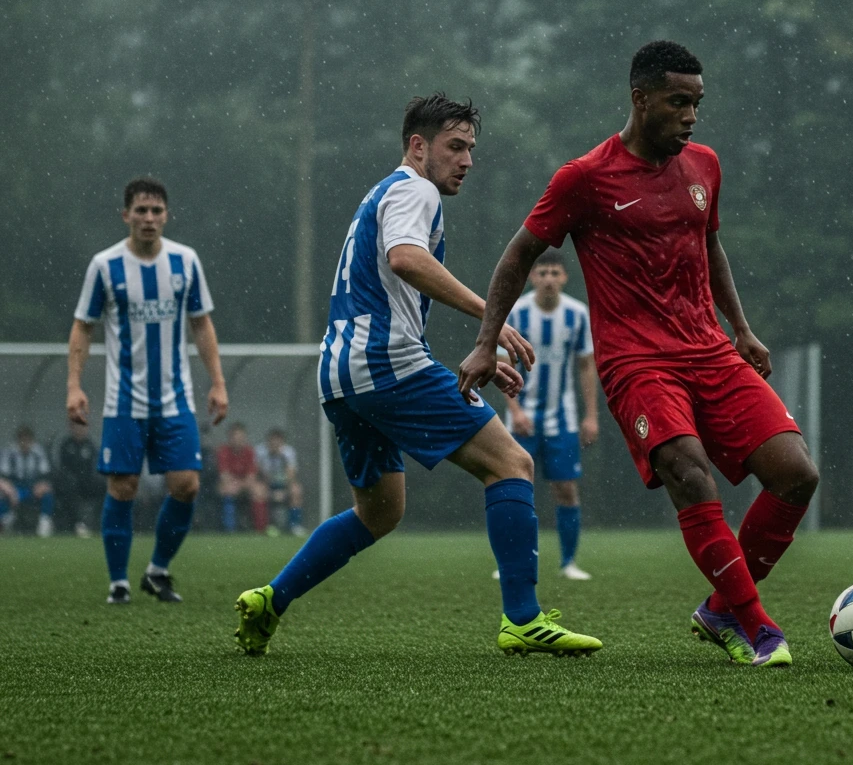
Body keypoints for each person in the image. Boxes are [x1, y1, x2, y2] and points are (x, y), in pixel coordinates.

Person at [460, 41, 820, 667]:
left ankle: (718, 610)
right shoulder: (585, 178)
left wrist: (742, 327)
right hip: (636, 362)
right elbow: (518, 255)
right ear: (641, 99)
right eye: (679, 103)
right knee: (689, 469)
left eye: (697, 104)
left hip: (709, 347)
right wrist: (486, 341)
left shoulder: (705, 165)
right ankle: (757, 627)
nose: (691, 116)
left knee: (796, 474)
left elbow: (710, 248)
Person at [233, 93, 601, 658]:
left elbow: (393, 280)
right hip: (386, 363)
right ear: (417, 145)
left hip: (341, 373)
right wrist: (491, 316)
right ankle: (523, 618)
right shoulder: (415, 188)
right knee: (512, 464)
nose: (467, 160)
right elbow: (406, 258)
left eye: (471, 149)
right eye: (455, 147)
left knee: (380, 512)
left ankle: (270, 600)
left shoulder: (382, 192)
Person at [67, 177, 229, 604]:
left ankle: (157, 570)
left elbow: (201, 323)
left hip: (175, 399)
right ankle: (118, 582)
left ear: (166, 216)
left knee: (187, 485)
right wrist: (74, 386)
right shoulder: (105, 266)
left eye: (156, 211)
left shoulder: (185, 261)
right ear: (126, 215)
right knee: (123, 488)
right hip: (124, 401)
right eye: (141, 210)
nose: (149, 218)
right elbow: (83, 326)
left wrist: (217, 382)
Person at [490, 250, 599, 581]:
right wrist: (515, 410)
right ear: (532, 277)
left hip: (562, 418)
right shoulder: (517, 314)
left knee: (565, 488)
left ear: (564, 277)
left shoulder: (577, 315)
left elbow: (585, 366)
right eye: (543, 273)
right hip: (522, 416)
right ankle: (510, 562)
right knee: (514, 487)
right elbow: (501, 366)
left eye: (555, 273)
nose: (549, 279)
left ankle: (568, 563)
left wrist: (590, 415)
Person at [0, 425, 55, 537]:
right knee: (2, 496)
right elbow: (3, 477)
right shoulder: (10, 453)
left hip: (32, 487)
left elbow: (46, 475)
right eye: (22, 440)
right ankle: (5, 521)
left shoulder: (38, 453)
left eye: (27, 440)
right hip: (15, 487)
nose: (25, 443)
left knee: (47, 493)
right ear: (18, 440)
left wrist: (41, 486)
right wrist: (10, 490)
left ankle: (44, 522)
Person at [217, 422, 267, 533]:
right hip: (229, 484)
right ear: (230, 438)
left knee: (259, 491)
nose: (238, 440)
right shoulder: (223, 451)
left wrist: (240, 484)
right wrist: (235, 484)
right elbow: (224, 476)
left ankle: (260, 530)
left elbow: (251, 476)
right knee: (228, 489)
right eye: (235, 437)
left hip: (244, 484)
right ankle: (229, 529)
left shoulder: (249, 451)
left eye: (241, 437)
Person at [256, 427, 305, 536]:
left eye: (278, 442)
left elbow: (291, 475)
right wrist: (270, 491)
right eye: (272, 442)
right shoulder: (260, 451)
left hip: (284, 483)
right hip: (267, 483)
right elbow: (259, 473)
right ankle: (264, 526)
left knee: (296, 491)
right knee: (258, 492)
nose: (275, 445)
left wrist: (284, 491)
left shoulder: (288, 452)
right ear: (268, 441)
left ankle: (294, 525)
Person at [56, 419, 100, 538]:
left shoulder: (91, 445)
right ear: (71, 428)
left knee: (105, 485)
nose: (80, 430)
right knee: (70, 486)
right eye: (77, 426)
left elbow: (95, 466)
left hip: (88, 482)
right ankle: (79, 524)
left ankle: (102, 523)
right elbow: (62, 467)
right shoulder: (66, 445)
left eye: (83, 427)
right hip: (70, 484)